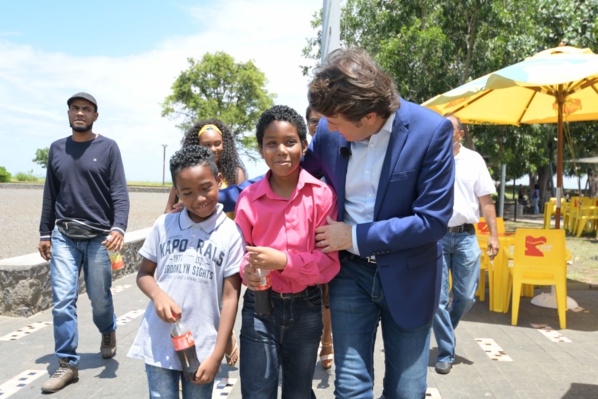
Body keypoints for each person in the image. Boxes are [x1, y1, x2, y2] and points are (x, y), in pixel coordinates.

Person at [302, 48, 454, 399]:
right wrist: (218, 197)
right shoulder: (329, 130)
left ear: (369, 115)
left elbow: (431, 222)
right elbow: (290, 178)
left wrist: (352, 235)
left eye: (337, 122)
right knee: (351, 387)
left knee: (406, 391)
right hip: (349, 275)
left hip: (411, 276)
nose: (327, 128)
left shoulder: (431, 131)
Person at [236, 105, 340, 398]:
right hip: (259, 307)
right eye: (272, 143)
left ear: (304, 146)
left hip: (306, 308)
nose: (281, 150)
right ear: (261, 149)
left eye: (290, 142)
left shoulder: (322, 196)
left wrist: (284, 261)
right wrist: (249, 271)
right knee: (257, 391)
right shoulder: (249, 199)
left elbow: (328, 262)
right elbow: (241, 253)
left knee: (297, 391)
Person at [127, 145, 243, 398]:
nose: (199, 199)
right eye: (187, 193)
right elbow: (144, 274)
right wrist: (158, 296)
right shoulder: (164, 224)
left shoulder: (231, 234)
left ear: (219, 181)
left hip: (203, 345)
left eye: (205, 188)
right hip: (160, 339)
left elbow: (230, 297)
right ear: (177, 192)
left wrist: (217, 354)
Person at [38, 92, 130, 393]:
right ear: (68, 113)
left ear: (95, 116)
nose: (80, 113)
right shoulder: (56, 149)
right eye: (75, 108)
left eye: (86, 109)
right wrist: (44, 232)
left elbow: (119, 193)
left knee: (99, 297)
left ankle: (108, 330)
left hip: (99, 238)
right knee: (63, 300)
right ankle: (67, 363)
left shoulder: (108, 148)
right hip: (64, 235)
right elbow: (50, 194)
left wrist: (118, 228)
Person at [164, 118, 246, 366]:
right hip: (194, 244)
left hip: (226, 244)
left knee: (224, 299)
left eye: (218, 143)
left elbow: (244, 209)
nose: (213, 149)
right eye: (206, 144)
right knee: (198, 301)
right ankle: (187, 357)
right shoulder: (186, 174)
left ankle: (224, 336)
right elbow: (169, 211)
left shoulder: (236, 173)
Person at [432, 115, 499, 375]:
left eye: (449, 130)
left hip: (467, 236)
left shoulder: (474, 160)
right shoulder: (430, 158)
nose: (444, 134)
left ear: (460, 134)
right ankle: (446, 352)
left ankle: (443, 327)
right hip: (436, 236)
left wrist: (494, 235)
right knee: (437, 300)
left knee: (467, 296)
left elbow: (486, 201)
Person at [306, 105, 334, 370]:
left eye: (324, 120)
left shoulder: (338, 148)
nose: (319, 126)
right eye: (314, 121)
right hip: (306, 238)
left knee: (328, 294)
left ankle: (327, 339)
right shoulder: (302, 158)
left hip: (336, 235)